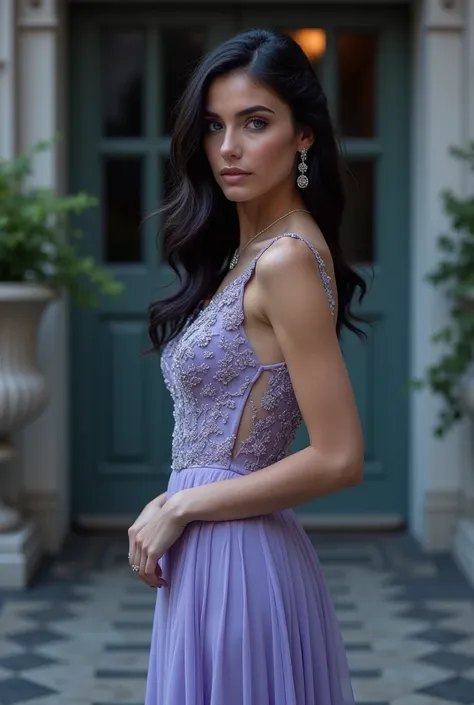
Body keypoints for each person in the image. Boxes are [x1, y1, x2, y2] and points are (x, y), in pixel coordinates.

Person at [128, 28, 366, 705]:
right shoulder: (251, 250)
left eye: (254, 123)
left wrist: (183, 503)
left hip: (237, 563)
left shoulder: (286, 259)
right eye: (214, 125)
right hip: (212, 555)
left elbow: (340, 455)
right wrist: (177, 505)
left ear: (303, 137)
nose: (227, 147)